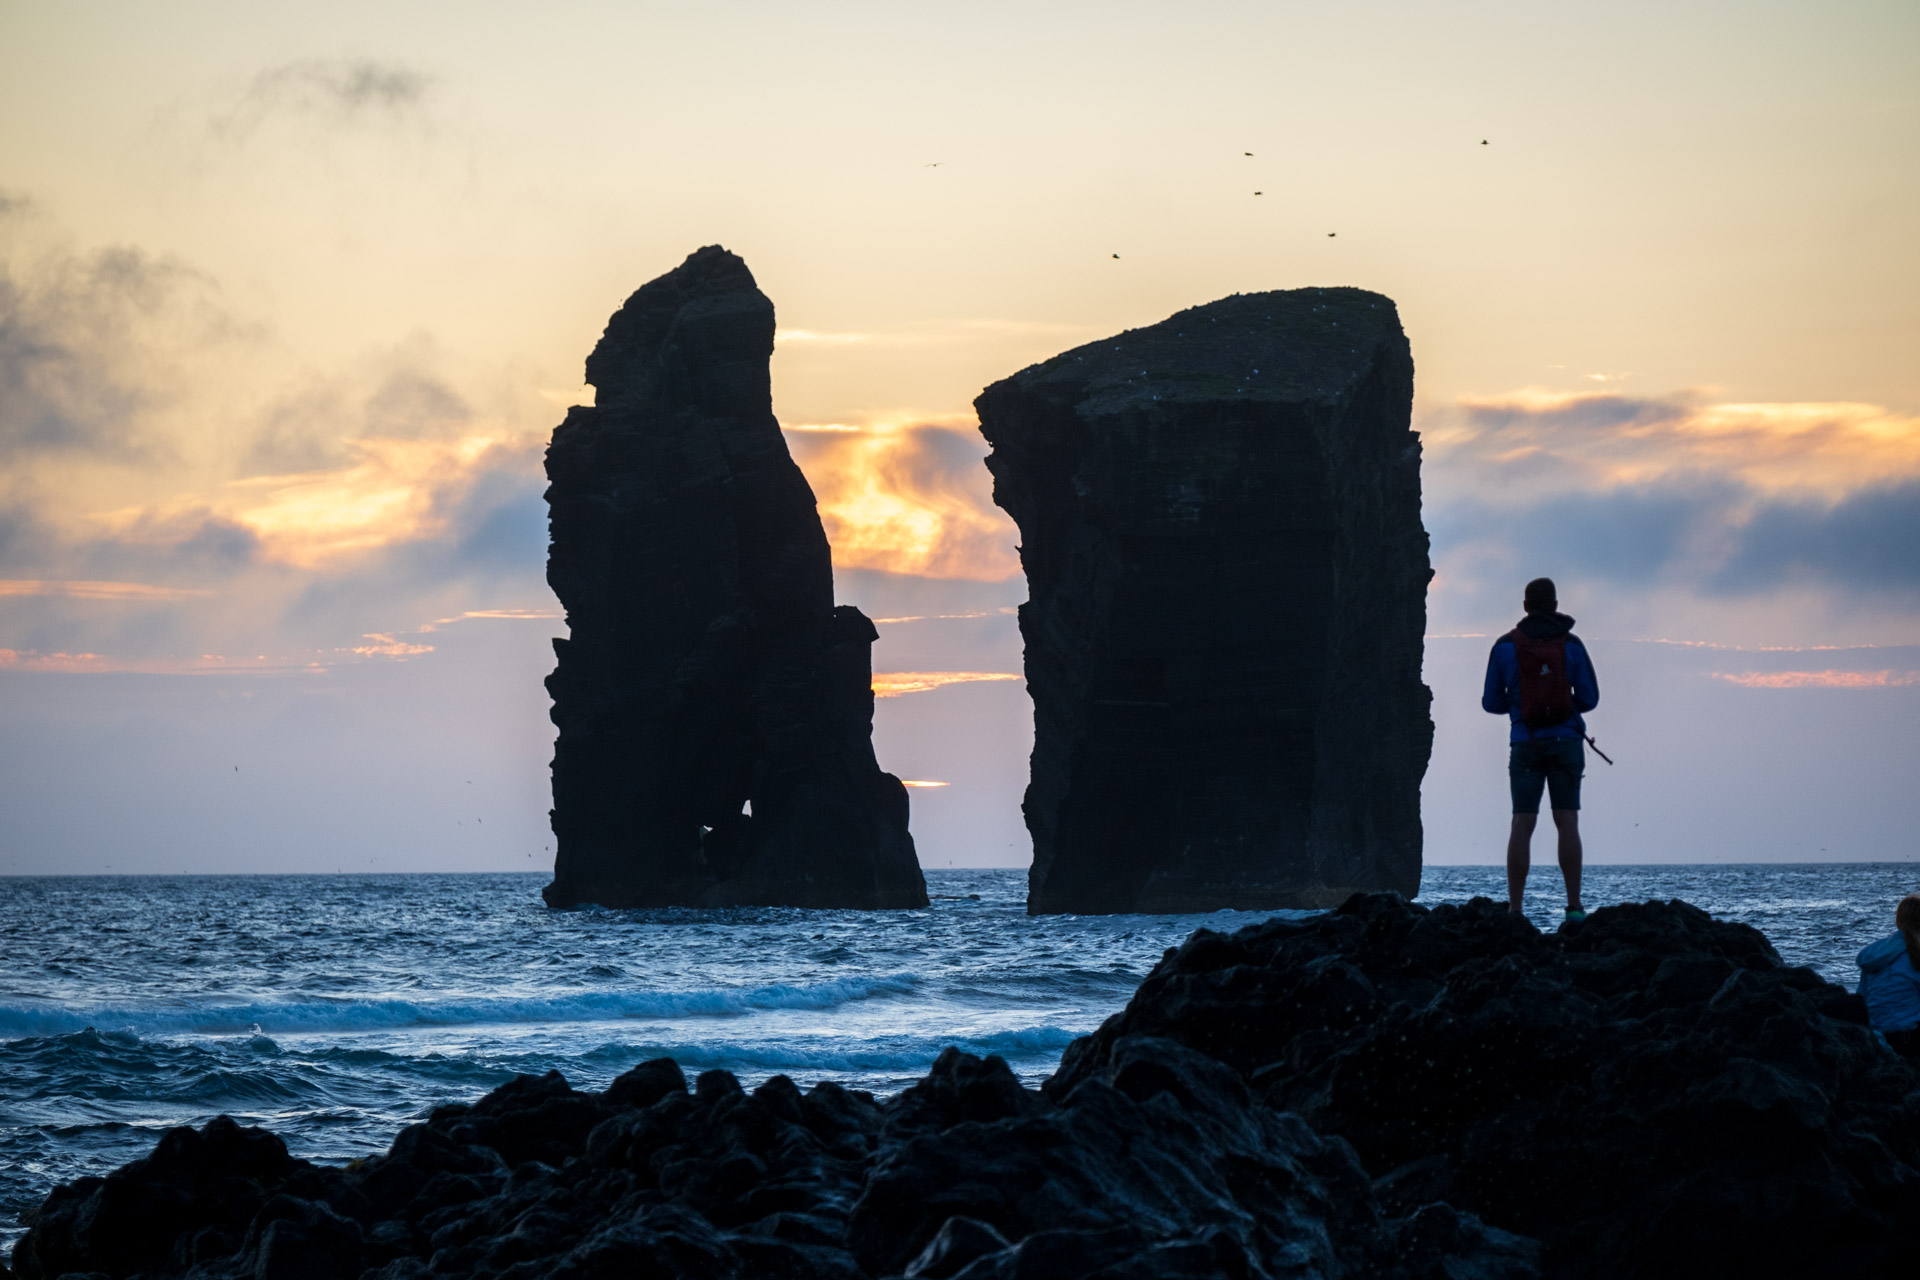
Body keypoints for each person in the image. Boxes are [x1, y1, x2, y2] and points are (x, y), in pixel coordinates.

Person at [1482, 577, 1600, 922]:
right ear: (1556, 604)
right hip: (1567, 742)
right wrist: (1563, 708)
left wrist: (1520, 708)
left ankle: (1515, 909)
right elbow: (1590, 698)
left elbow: (1490, 702)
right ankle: (1574, 907)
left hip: (1525, 742)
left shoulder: (1504, 647)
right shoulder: (1572, 645)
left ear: (1525, 606)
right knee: (1567, 821)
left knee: (1522, 822)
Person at [1857, 895, 1920, 1060]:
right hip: (1909, 1037)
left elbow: (1861, 998)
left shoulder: (1877, 954)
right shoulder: (1915, 955)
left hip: (1877, 1034)